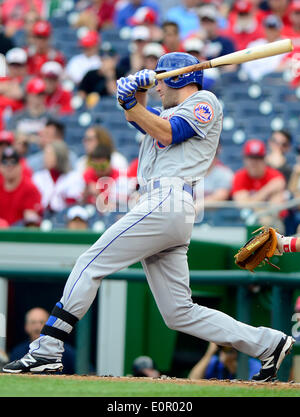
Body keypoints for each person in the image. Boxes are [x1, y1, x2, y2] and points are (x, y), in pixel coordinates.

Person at [2, 52, 295, 383]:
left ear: (179, 77)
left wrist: (132, 102)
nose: (157, 85)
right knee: (179, 313)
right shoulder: (168, 110)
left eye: (161, 77)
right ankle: (268, 343)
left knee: (90, 262)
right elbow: (143, 119)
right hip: (163, 205)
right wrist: (133, 96)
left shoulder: (204, 100)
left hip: (167, 199)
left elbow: (169, 132)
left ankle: (49, 347)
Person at [232, 138, 287, 231]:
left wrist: (252, 202)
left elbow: (275, 209)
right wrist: (266, 191)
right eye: (251, 158)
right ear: (245, 159)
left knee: (273, 224)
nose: (254, 162)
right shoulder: (239, 176)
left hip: (272, 223)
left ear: (264, 159)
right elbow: (242, 204)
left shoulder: (275, 175)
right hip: (246, 221)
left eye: (258, 158)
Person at [9, 307, 75, 375]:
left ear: (50, 326)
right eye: (33, 322)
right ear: (26, 327)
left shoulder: (66, 352)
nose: (37, 327)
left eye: (42, 322)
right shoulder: (17, 352)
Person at [32, 140, 85, 213]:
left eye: (49, 155)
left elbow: (73, 203)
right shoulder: (38, 177)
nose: (45, 158)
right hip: (42, 217)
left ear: (59, 156)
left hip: (65, 218)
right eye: (45, 154)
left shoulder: (74, 177)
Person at [0, 146, 42, 226]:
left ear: (20, 166)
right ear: (1, 167)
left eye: (13, 163)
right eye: (5, 163)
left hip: (19, 234)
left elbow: (31, 222)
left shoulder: (30, 188)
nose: (9, 167)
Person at [6, 77, 51, 143]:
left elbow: (54, 139)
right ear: (28, 95)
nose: (40, 97)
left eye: (42, 94)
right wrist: (33, 139)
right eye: (37, 94)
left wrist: (25, 137)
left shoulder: (51, 117)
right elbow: (9, 135)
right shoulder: (17, 117)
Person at [241, 15, 285, 81]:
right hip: (252, 80)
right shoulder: (254, 45)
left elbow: (280, 68)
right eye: (269, 28)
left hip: (273, 82)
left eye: (273, 29)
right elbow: (246, 66)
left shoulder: (285, 46)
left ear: (279, 30)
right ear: (264, 29)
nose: (271, 32)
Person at [188, 342, 261, 380]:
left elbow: (252, 388)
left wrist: (230, 363)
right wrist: (209, 353)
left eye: (230, 348)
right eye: (223, 348)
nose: (225, 351)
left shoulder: (253, 365)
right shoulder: (215, 362)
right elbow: (193, 378)